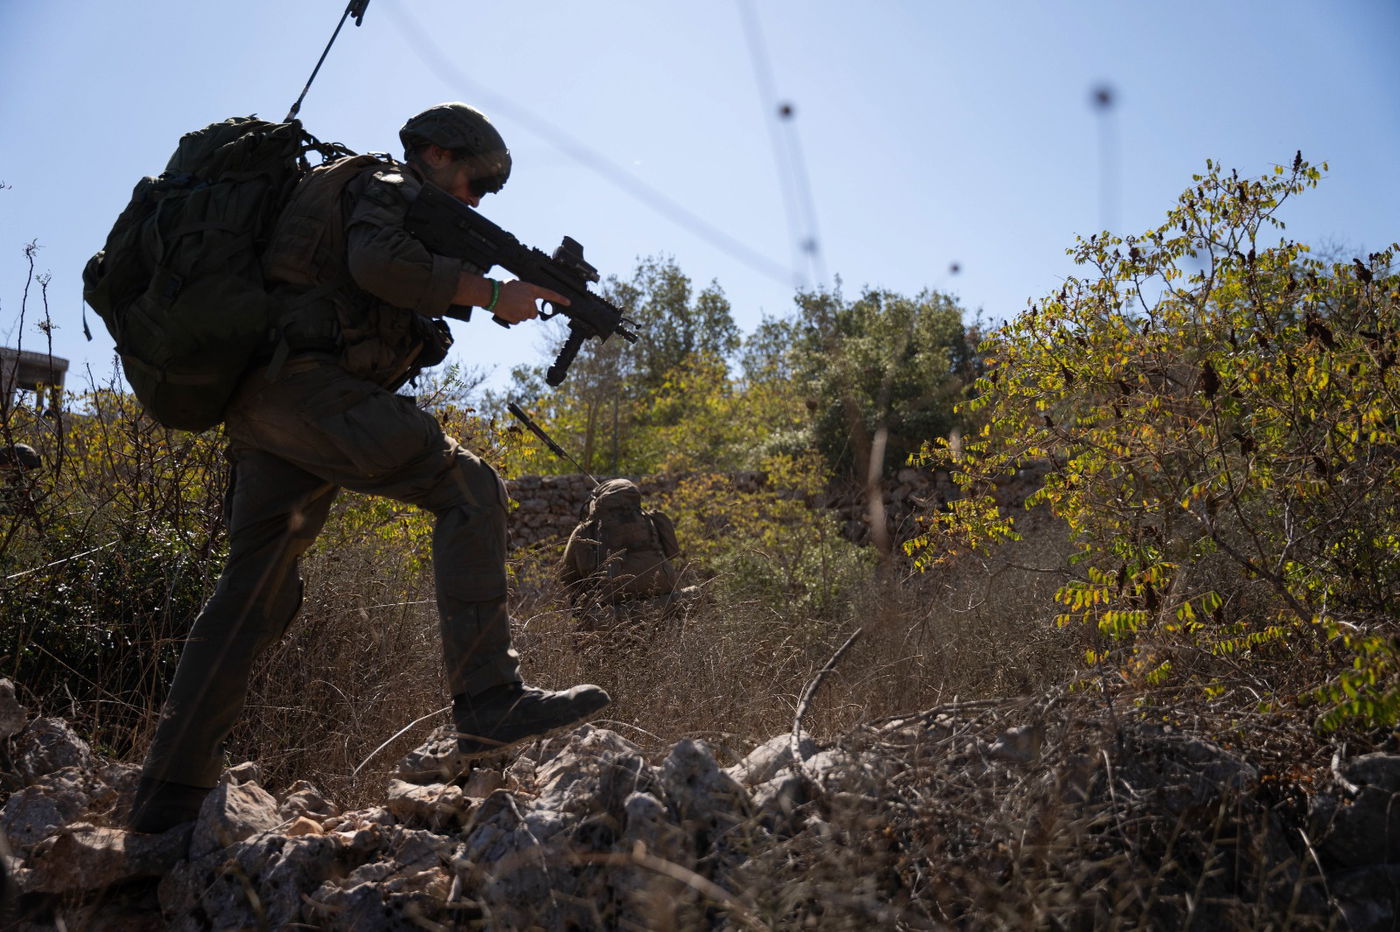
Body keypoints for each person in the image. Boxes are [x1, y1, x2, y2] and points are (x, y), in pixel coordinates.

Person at [127, 103, 610, 834]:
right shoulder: (384, 183)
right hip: (312, 394)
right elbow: (376, 264)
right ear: (440, 153)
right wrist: (490, 294)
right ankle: (487, 698)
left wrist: (490, 295)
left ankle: (167, 797)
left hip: (268, 403)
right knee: (469, 486)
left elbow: (365, 278)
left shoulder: (351, 190)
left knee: (251, 594)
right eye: (474, 182)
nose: (473, 201)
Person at [560, 478, 693, 633]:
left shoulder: (585, 531)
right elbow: (673, 552)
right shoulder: (651, 520)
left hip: (612, 612)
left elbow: (566, 576)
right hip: (663, 603)